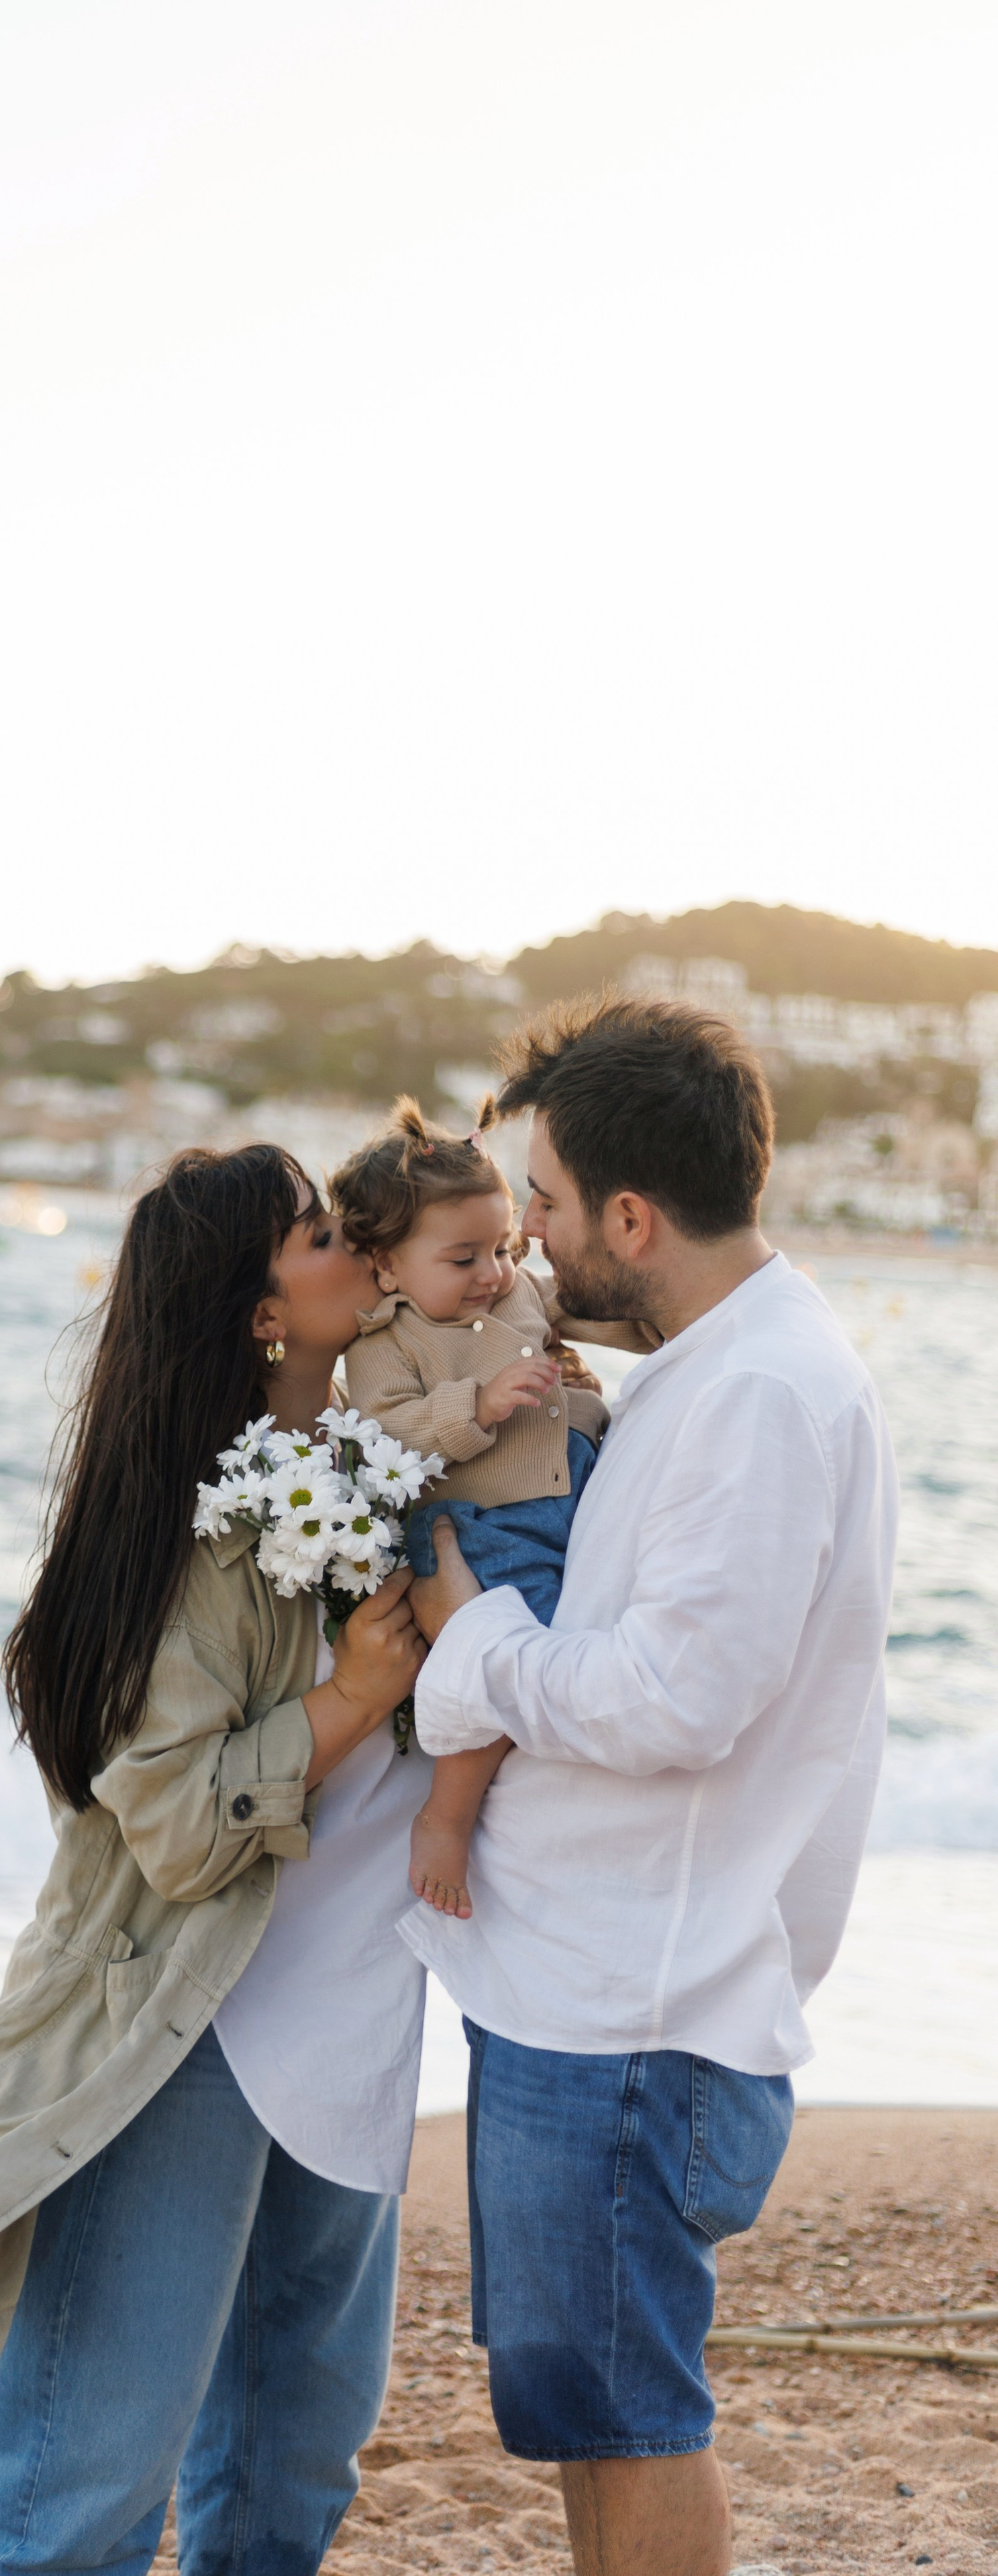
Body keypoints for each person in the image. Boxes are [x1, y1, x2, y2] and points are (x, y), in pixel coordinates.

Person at [0, 1144, 430, 2576]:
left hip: (351, 2019)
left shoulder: (386, 1468)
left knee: (291, 2471)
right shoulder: (179, 1544)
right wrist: (349, 1701)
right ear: (257, 1313)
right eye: (314, 1233)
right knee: (77, 2483)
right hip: (185, 2029)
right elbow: (175, 1829)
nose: (353, 1242)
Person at [401, 996, 898, 2576]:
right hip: (593, 1989)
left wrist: (468, 1639)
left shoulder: (757, 1391)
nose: (528, 1244)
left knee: (626, 2421)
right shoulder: (712, 1367)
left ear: (628, 1213)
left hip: (635, 2006)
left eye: (542, 1206)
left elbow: (677, 1697)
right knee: (583, 2417)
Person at [330, 1095, 654, 1917]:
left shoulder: (514, 1294)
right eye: (462, 1258)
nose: (490, 1274)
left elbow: (598, 1310)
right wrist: (475, 1405)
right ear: (387, 1267)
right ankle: (447, 1813)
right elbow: (386, 1436)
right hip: (483, 1524)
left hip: (566, 1497)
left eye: (501, 1247)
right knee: (511, 1651)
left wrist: (683, 1321)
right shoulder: (384, 1344)